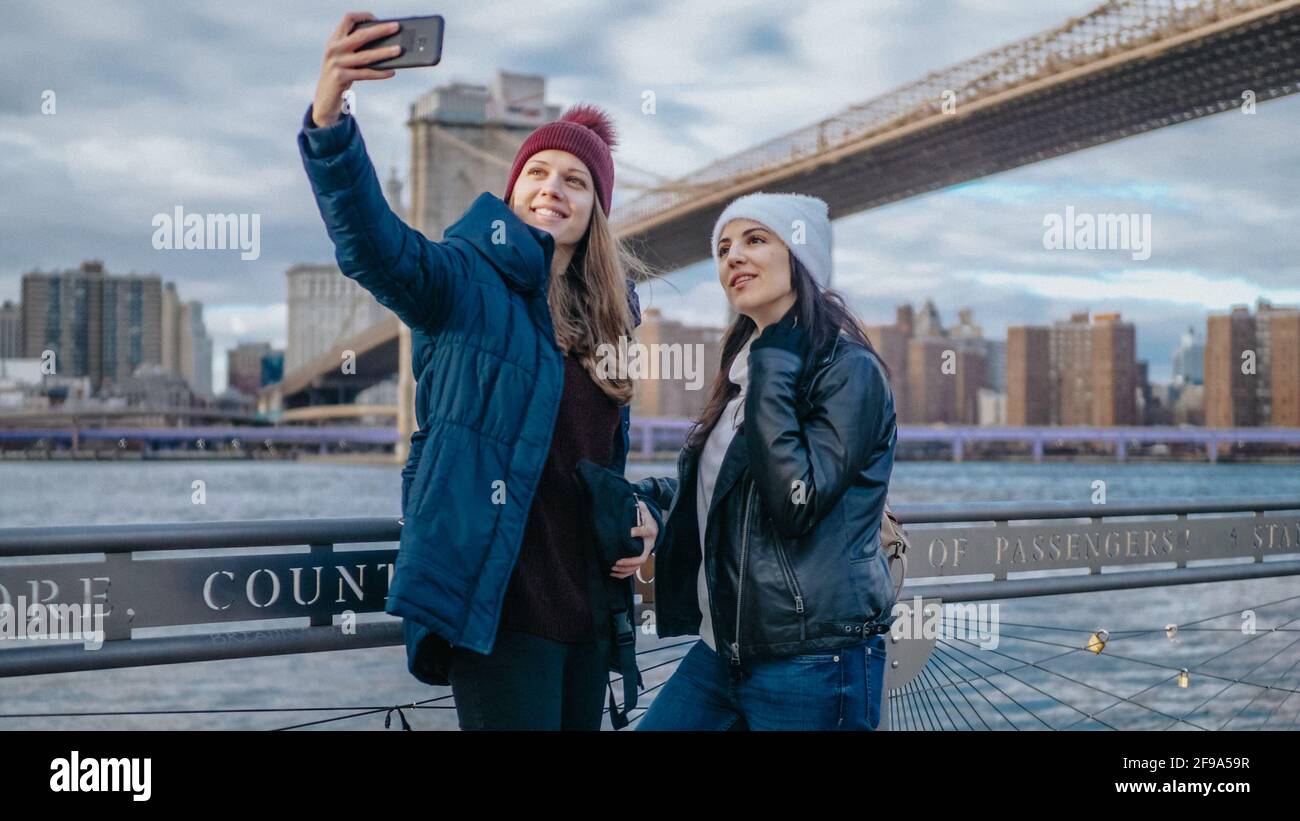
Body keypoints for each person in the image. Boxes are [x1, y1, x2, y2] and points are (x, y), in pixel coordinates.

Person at [297, 12, 659, 730]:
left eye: (578, 181)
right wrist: (331, 112)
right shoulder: (460, 282)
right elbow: (375, 244)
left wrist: (645, 511)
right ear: (513, 190)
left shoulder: (611, 323)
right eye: (537, 172)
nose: (554, 187)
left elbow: (589, 468)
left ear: (596, 213)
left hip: (588, 615)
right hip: (499, 614)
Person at [631, 193, 898, 730]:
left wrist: (774, 361)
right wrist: (652, 504)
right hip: (723, 649)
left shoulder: (847, 371)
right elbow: (728, 485)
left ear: (803, 258)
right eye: (724, 247)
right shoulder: (743, 372)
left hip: (812, 657)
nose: (733, 257)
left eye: (756, 240)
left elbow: (796, 503)